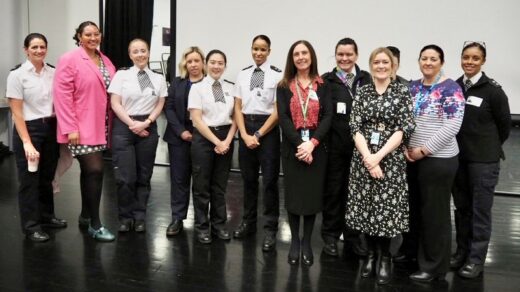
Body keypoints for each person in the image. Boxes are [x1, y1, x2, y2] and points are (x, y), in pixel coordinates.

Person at [346, 47, 415, 284]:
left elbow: (405, 128)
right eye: (377, 62)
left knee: (385, 211)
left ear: (393, 65)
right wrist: (368, 157)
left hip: (391, 161)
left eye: (386, 62)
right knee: (366, 209)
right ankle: (370, 256)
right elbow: (354, 126)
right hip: (363, 159)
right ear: (371, 65)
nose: (381, 65)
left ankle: (385, 257)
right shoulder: (363, 92)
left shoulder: (402, 92)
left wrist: (379, 157)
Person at [451, 41, 511, 278]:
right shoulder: (454, 87)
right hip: (459, 160)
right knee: (462, 209)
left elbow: (504, 126)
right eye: (466, 57)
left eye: (475, 58)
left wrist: (486, 147)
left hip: (483, 162)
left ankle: (476, 260)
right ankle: (461, 253)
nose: (470, 62)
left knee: (480, 212)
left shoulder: (493, 91)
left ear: (483, 61)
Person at [406, 45, 465, 282]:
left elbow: (452, 126)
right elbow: (404, 119)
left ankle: (433, 267)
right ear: (419, 61)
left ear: (441, 62)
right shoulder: (413, 87)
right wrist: (405, 148)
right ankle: (415, 256)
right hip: (411, 158)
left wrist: (423, 150)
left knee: (435, 215)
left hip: (438, 160)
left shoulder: (451, 88)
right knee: (416, 211)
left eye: (433, 59)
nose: (428, 62)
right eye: (424, 58)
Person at [53, 21, 116, 242]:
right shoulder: (69, 59)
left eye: (96, 33)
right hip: (80, 127)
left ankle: (85, 215)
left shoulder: (105, 60)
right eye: (87, 34)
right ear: (79, 36)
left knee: (89, 172)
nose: (92, 37)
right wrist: (70, 127)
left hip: (102, 126)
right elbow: (62, 95)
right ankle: (96, 225)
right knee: (96, 170)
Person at [6, 33, 67, 242]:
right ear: (26, 50)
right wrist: (26, 142)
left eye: (42, 47)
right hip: (29, 129)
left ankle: (47, 216)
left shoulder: (53, 72)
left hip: (51, 127)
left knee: (47, 177)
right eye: (34, 47)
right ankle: (31, 226)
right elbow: (17, 112)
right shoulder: (17, 75)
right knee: (29, 180)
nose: (39, 51)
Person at [277, 40, 332, 266]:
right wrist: (301, 144)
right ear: (292, 58)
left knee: (310, 198)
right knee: (293, 197)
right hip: (293, 148)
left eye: (304, 53)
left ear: (311, 57)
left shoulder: (323, 85)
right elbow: (283, 118)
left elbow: (328, 116)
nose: (300, 57)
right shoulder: (283, 86)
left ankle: (307, 242)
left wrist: (313, 143)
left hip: (317, 149)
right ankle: (294, 243)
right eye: (296, 54)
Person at [108, 38, 167, 233]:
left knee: (144, 176)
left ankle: (139, 216)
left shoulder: (158, 78)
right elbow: (115, 103)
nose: (140, 54)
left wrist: (147, 122)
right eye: (135, 51)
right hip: (125, 126)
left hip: (148, 126)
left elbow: (160, 103)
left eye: (143, 50)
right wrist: (132, 124)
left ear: (149, 53)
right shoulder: (121, 75)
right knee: (125, 177)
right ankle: (125, 217)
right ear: (130, 55)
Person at [321, 37, 371, 257]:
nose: (344, 58)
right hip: (334, 148)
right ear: (335, 55)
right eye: (340, 54)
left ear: (356, 56)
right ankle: (330, 237)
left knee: (356, 195)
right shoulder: (326, 80)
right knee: (333, 193)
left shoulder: (366, 79)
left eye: (349, 54)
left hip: (362, 150)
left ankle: (353, 237)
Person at [232, 35, 283, 252]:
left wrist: (259, 134)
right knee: (249, 180)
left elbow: (278, 110)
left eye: (263, 49)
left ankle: (270, 229)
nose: (258, 53)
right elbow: (237, 107)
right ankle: (248, 223)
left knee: (270, 182)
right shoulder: (243, 74)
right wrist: (244, 134)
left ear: (269, 51)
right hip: (246, 127)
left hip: (267, 130)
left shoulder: (278, 75)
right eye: (255, 49)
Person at [188, 49, 237, 244]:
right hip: (204, 138)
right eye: (213, 62)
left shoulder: (231, 88)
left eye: (220, 63)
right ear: (206, 64)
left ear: (225, 66)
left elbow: (236, 117)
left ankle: (219, 225)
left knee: (219, 185)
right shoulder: (197, 88)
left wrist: (227, 140)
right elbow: (197, 120)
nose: (216, 66)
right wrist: (217, 142)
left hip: (226, 136)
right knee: (201, 185)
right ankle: (201, 227)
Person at [163, 46, 205, 236]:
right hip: (178, 137)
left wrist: (200, 133)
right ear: (185, 64)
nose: (193, 64)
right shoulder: (177, 83)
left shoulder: (210, 84)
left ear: (203, 63)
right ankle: (177, 218)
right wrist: (181, 132)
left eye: (197, 60)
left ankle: (202, 221)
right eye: (190, 61)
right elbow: (169, 108)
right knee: (179, 179)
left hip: (204, 138)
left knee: (201, 181)